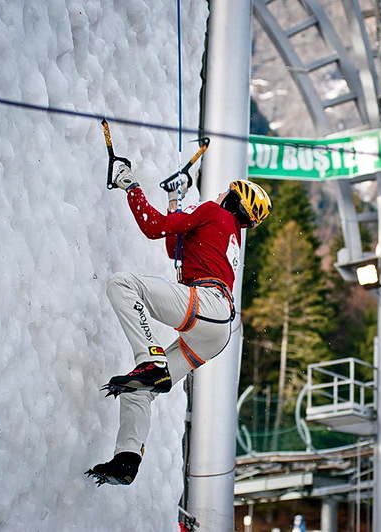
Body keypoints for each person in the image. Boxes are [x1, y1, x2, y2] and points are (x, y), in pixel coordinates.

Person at [86, 163, 272, 486]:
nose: (219, 192)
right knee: (139, 389)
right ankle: (126, 460)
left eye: (226, 189)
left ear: (232, 199)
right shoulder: (229, 232)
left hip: (207, 304)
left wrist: (131, 186)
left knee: (123, 285)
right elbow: (175, 245)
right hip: (216, 328)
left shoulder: (214, 211)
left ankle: (150, 358)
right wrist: (176, 201)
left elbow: (153, 227)